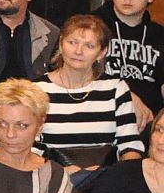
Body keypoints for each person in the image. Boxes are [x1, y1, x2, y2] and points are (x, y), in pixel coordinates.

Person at [37, 14, 143, 184]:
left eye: (89, 46)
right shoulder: (37, 89)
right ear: (61, 44)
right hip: (51, 181)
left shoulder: (116, 88)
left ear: (102, 52)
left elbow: (129, 145)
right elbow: (30, 150)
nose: (78, 51)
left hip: (105, 183)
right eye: (72, 42)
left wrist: (125, 179)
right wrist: (62, 173)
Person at [97, 0, 163, 129]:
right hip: (100, 116)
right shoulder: (90, 25)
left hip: (147, 125)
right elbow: (76, 75)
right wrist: (126, 96)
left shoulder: (159, 35)